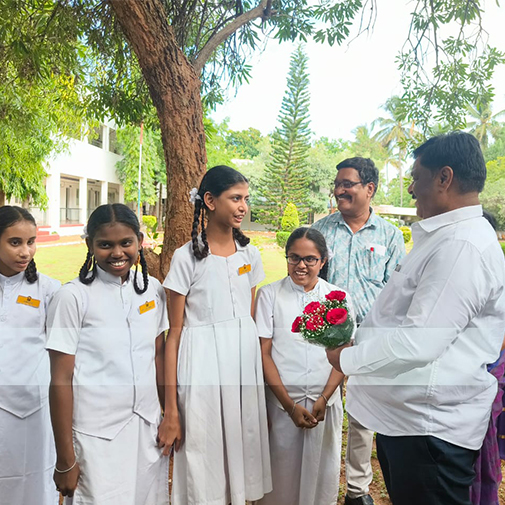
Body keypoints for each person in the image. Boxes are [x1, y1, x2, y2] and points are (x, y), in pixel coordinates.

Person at [326, 131, 505, 505]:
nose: (410, 189)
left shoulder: (461, 246)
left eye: (416, 177)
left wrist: (347, 358)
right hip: (411, 423)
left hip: (429, 432)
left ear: (444, 178)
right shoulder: (447, 237)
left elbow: (419, 342)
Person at [158, 165, 272, 505]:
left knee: (241, 446)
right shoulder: (186, 258)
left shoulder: (250, 255)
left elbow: (246, 318)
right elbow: (173, 335)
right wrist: (171, 409)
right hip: (202, 368)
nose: (243, 207)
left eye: (246, 199)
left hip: (242, 367)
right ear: (209, 201)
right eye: (235, 198)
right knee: (203, 453)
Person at [46, 203, 169, 505]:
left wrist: (169, 415)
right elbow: (60, 379)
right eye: (105, 245)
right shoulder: (72, 297)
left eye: (126, 243)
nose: (117, 253)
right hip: (96, 437)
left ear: (140, 241)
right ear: (90, 244)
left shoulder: (152, 290)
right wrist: (65, 459)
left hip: (147, 429)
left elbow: (158, 356)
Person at [312, 156, 405, 505]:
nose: (339, 190)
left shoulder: (390, 235)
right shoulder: (321, 231)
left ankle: (357, 490)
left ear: (370, 188)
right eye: (337, 184)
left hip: (371, 336)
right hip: (326, 338)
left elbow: (397, 292)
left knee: (363, 414)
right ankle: (314, 481)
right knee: (320, 405)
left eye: (347, 184)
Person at [254, 227, 351, 505]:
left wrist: (325, 397)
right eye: (294, 257)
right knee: (280, 478)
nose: (301, 265)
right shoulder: (270, 295)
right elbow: (264, 353)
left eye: (310, 259)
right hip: (282, 403)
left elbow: (343, 355)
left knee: (320, 475)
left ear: (323, 261)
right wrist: (289, 405)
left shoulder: (337, 298)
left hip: (324, 405)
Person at [0, 206, 60, 505]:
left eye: (31, 242)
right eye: (15, 242)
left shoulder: (49, 290)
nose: (25, 251)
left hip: (32, 409)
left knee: (32, 482)